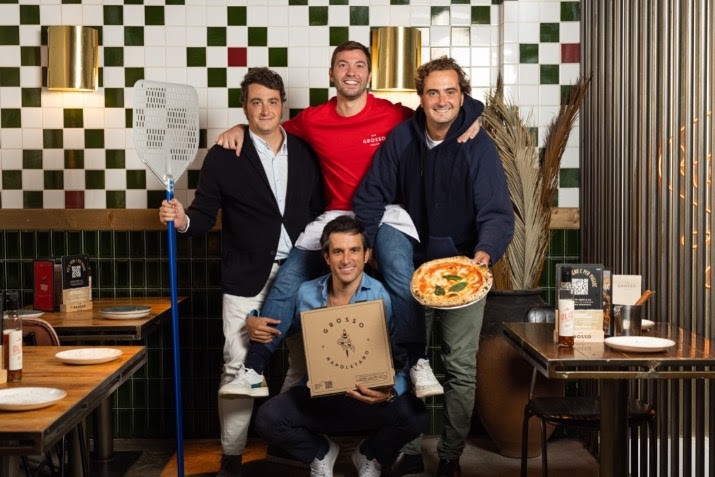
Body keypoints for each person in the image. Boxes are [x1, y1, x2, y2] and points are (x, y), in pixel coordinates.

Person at [215, 41, 481, 400]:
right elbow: (268, 124)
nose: (351, 71)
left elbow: (441, 112)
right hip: (335, 216)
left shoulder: (394, 114)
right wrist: (239, 127)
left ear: (369, 75)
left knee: (400, 272)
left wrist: (475, 116)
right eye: (343, 65)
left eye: (359, 65)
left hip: (385, 214)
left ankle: (417, 362)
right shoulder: (313, 119)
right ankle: (254, 368)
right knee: (289, 278)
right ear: (331, 74)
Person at [353, 57, 515, 477]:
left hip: (464, 270)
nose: (442, 100)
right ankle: (408, 450)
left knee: (460, 368)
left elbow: (497, 212)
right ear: (420, 98)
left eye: (450, 91)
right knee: (408, 362)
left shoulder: (478, 145)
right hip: (412, 271)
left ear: (462, 96)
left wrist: (485, 253)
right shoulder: (402, 138)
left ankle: (450, 456)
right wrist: (368, 245)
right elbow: (370, 195)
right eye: (432, 92)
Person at [158, 67, 324, 477]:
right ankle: (231, 458)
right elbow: (202, 216)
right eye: (256, 102)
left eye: (272, 101)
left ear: (283, 105)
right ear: (245, 108)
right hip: (245, 279)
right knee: (237, 368)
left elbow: (318, 213)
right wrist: (180, 219)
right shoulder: (223, 155)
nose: (265, 110)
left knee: (305, 364)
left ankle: (284, 440)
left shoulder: (305, 153)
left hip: (301, 274)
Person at [253, 215, 428, 477]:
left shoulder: (383, 297)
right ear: (326, 257)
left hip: (367, 400)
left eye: (354, 250)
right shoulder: (305, 293)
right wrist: (253, 321)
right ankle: (320, 452)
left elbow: (404, 356)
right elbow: (278, 328)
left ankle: (370, 455)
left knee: (416, 416)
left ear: (367, 255)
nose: (346, 260)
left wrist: (390, 393)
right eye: (338, 252)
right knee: (267, 419)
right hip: (319, 398)